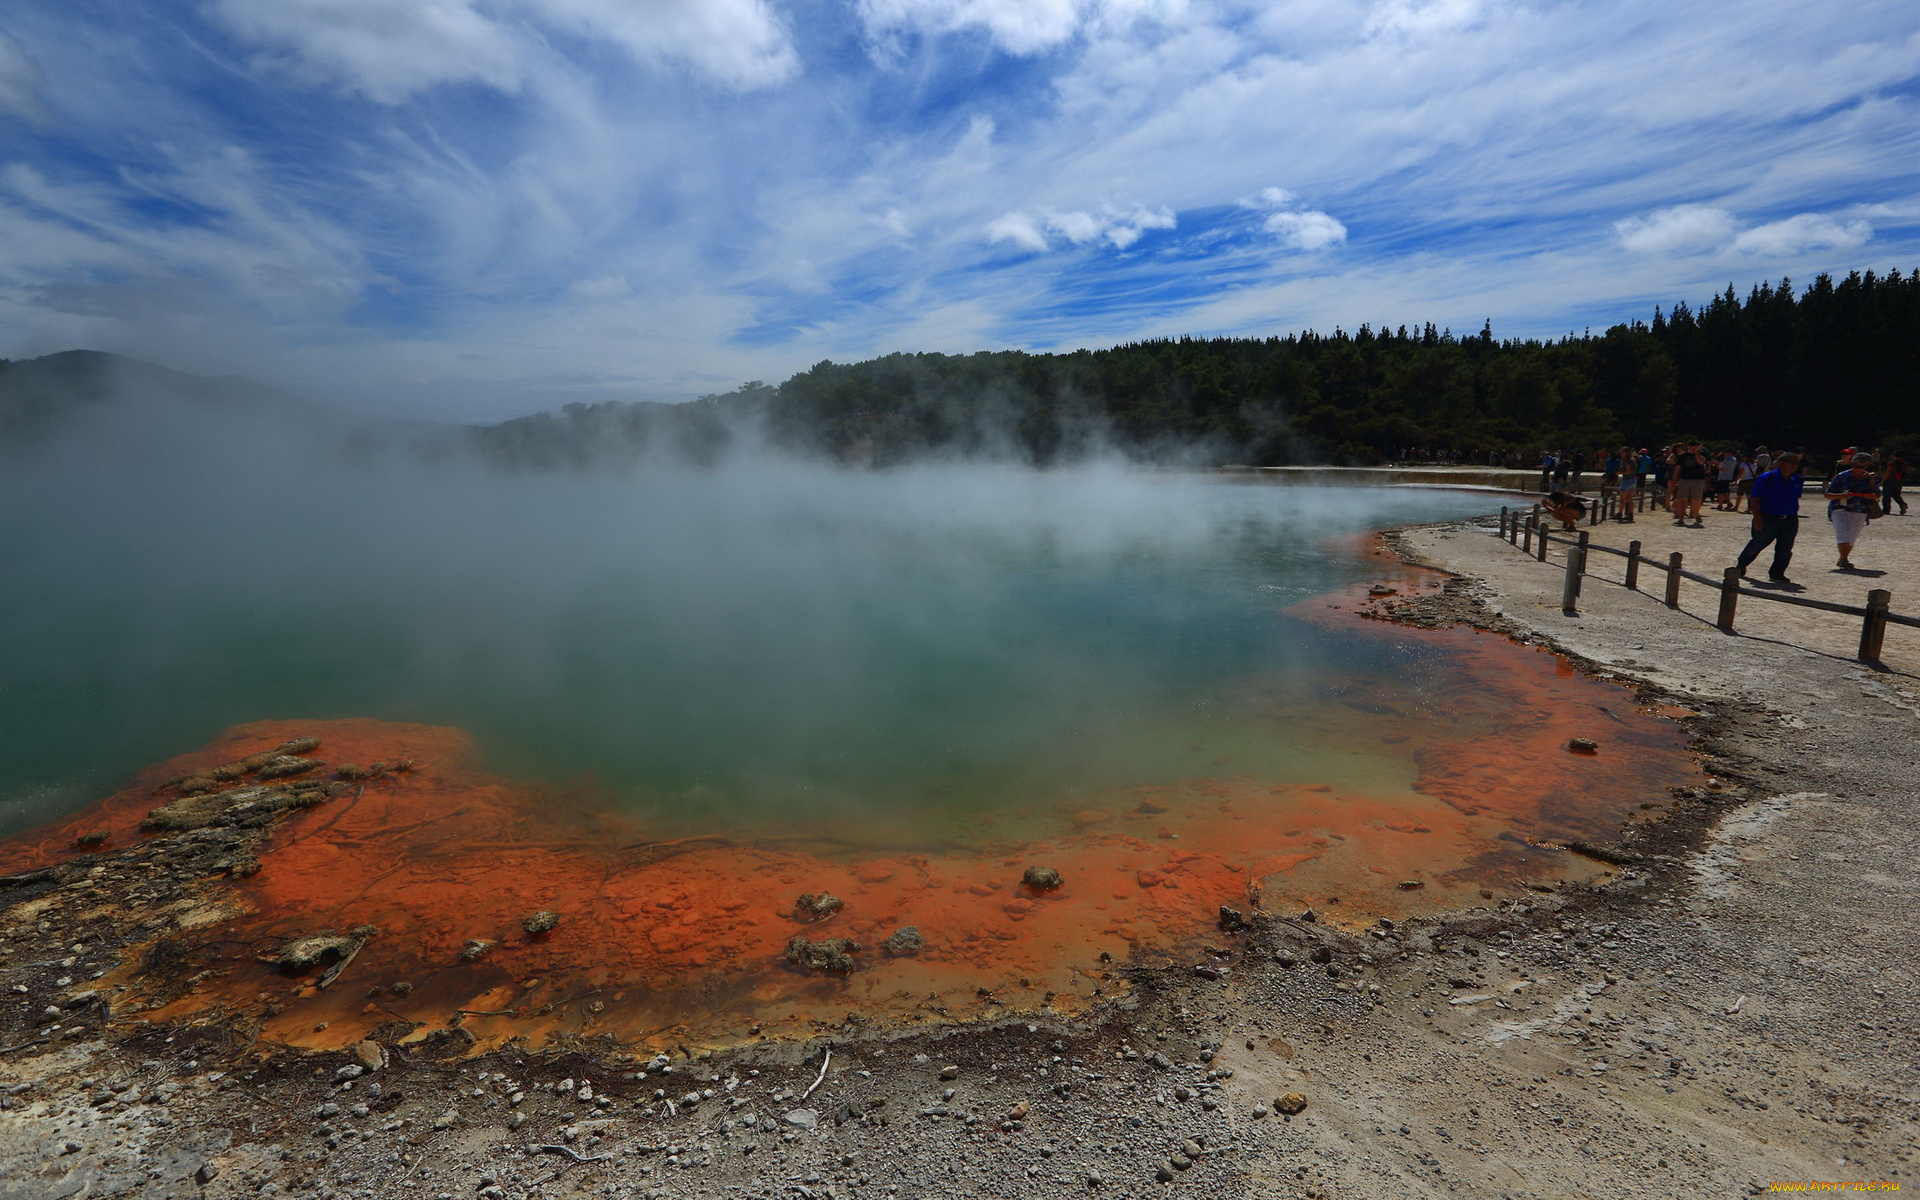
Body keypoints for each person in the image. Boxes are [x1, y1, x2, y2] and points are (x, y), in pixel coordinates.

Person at [1736, 453, 1804, 582]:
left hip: (1790, 519)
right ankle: (1741, 565)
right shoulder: (1768, 478)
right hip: (1768, 517)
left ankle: (1777, 573)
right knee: (1757, 544)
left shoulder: (1797, 479)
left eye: (1797, 463)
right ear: (1781, 462)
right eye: (1791, 462)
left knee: (1785, 548)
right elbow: (1755, 499)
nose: (1795, 466)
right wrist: (1757, 518)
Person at [1826, 452, 1880, 570]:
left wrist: (1869, 496)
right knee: (1843, 533)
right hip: (1839, 508)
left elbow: (1877, 494)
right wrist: (1841, 495)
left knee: (1852, 536)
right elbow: (1827, 494)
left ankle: (1843, 558)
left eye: (1862, 467)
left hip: (1860, 509)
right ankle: (1844, 559)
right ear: (1852, 464)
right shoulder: (1841, 476)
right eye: (1856, 466)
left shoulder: (1871, 478)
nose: (1859, 469)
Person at [1672, 442, 1708, 527]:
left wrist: (1696, 452)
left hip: (1697, 480)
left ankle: (1696, 513)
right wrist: (1674, 480)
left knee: (1696, 499)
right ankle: (1681, 519)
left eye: (1694, 446)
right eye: (1691, 446)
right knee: (1682, 499)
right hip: (1684, 479)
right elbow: (1677, 469)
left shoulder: (1701, 454)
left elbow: (1700, 462)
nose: (1692, 447)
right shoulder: (1682, 456)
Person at [1613, 444, 1639, 521]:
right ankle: (1630, 514)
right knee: (1630, 499)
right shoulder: (1633, 459)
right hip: (1633, 480)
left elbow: (1628, 471)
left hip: (1627, 480)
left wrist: (1619, 473)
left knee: (1622, 499)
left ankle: (1620, 513)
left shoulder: (1627, 461)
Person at [1882, 451, 1909, 516]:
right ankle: (1902, 504)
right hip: (1899, 481)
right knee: (1896, 495)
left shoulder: (1892, 463)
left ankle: (1886, 510)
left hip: (1889, 481)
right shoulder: (1904, 463)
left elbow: (1888, 473)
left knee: (1886, 496)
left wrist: (1883, 480)